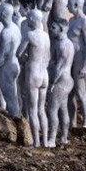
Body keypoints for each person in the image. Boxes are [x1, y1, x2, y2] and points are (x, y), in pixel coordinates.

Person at [16, 8, 49, 147]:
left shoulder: (30, 35)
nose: (27, 19)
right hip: (44, 74)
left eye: (29, 17)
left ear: (34, 20)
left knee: (32, 110)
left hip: (34, 74)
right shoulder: (46, 36)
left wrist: (25, 58)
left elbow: (19, 53)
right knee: (42, 110)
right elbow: (48, 56)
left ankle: (36, 142)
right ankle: (45, 141)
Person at [46, 17, 75, 148]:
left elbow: (60, 67)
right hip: (67, 80)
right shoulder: (66, 43)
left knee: (52, 110)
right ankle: (63, 137)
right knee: (63, 109)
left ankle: (52, 139)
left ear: (61, 29)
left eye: (53, 28)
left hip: (61, 81)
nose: (51, 30)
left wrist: (52, 82)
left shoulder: (63, 45)